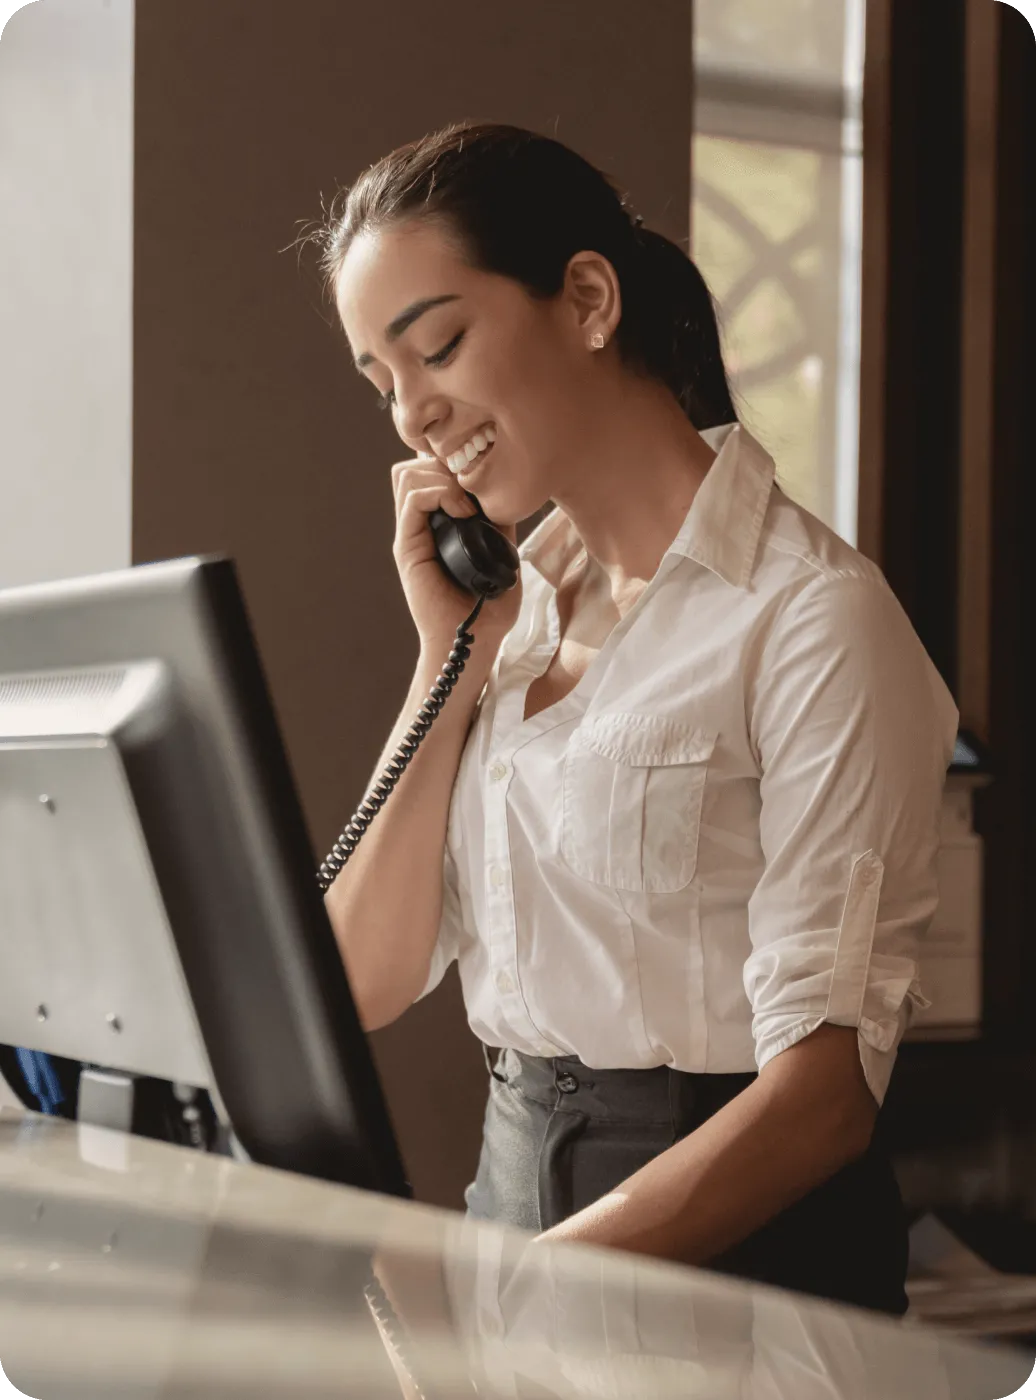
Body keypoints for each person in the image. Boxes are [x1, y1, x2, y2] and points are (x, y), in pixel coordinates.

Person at [307, 121, 958, 1316]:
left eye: (437, 345)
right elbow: (357, 977)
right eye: (382, 383)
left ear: (588, 298)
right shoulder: (505, 622)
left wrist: (530, 1284)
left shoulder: (810, 618)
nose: (413, 416)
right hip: (511, 1208)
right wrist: (445, 660)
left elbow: (823, 1094)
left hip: (734, 1261)